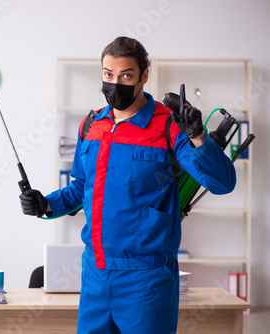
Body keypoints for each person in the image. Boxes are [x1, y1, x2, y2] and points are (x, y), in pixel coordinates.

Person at [19, 36, 236, 334]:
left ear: (144, 76)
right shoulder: (91, 125)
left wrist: (198, 137)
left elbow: (222, 182)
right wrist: (44, 204)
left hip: (146, 278)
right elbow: (80, 188)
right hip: (95, 273)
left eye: (126, 75)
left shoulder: (168, 125)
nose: (115, 83)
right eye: (108, 75)